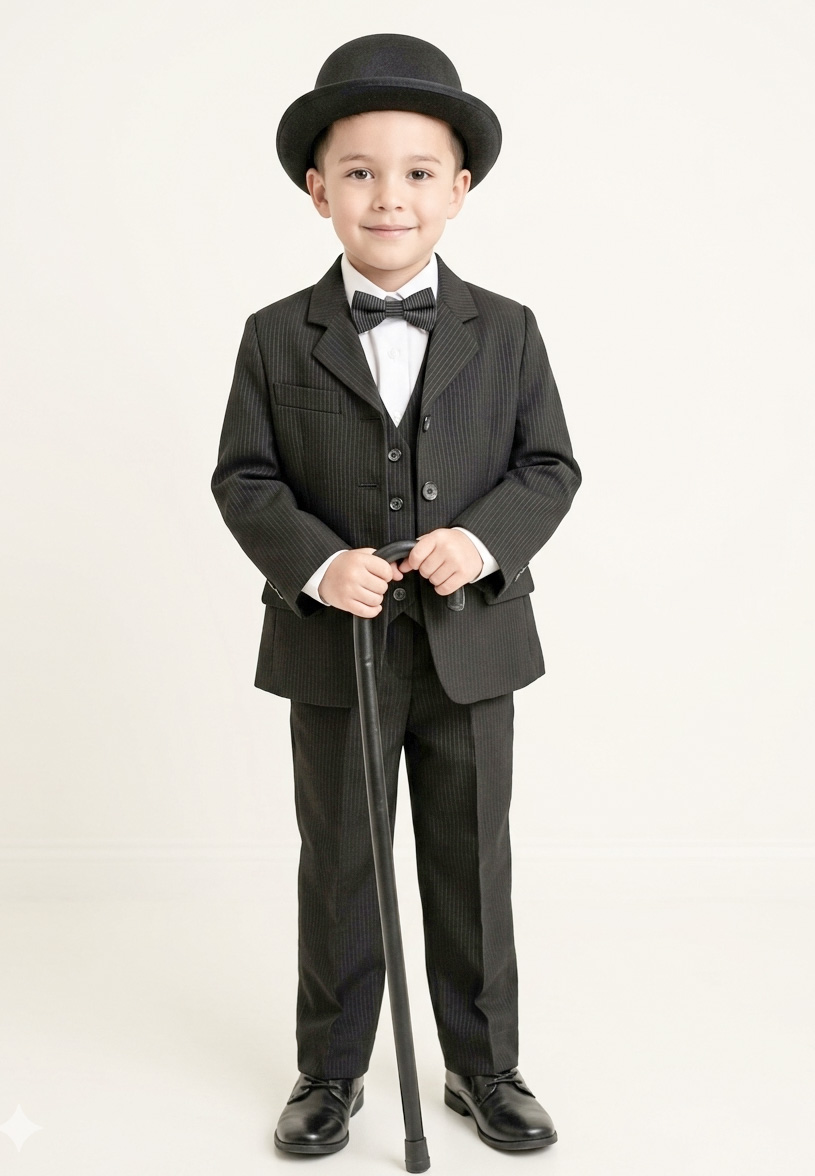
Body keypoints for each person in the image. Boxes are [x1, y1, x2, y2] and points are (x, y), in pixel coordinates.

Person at [211, 32, 582, 1157]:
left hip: (472, 648)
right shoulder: (274, 336)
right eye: (360, 172)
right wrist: (321, 564)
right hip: (336, 653)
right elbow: (245, 479)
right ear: (317, 189)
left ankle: (484, 1066)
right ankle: (329, 1072)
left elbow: (547, 467)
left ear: (457, 189)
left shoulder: (507, 330)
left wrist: (480, 539)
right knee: (340, 866)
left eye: (417, 172)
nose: (388, 197)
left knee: (470, 861)